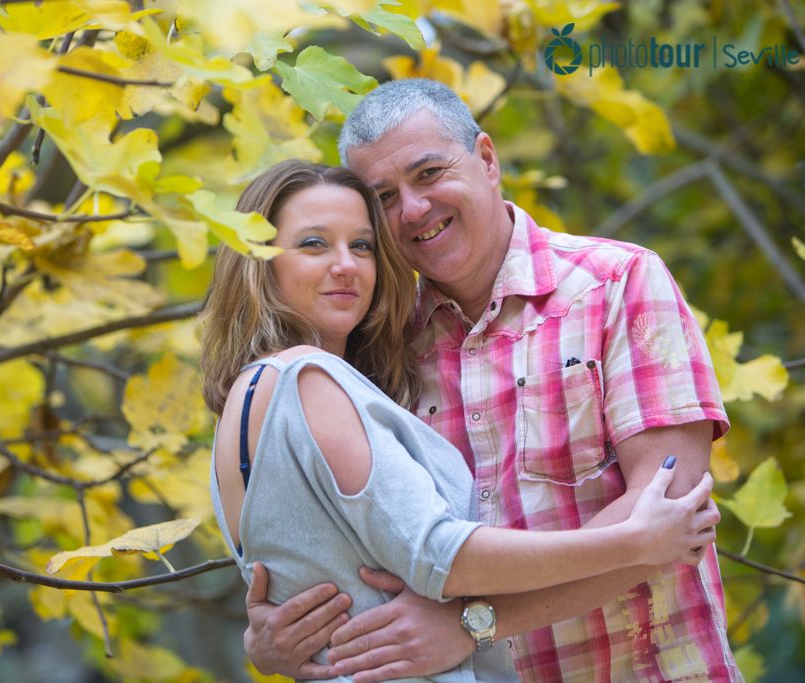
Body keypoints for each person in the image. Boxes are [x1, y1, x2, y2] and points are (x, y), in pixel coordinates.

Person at [202, 160, 721, 682]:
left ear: (487, 159)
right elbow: (436, 553)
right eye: (314, 243)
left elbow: (302, 574)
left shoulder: (257, 399)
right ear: (256, 259)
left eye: (361, 246)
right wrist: (634, 540)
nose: (346, 266)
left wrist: (273, 644)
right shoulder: (307, 379)